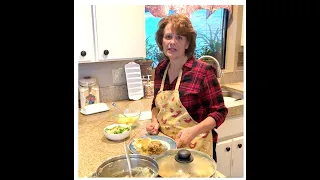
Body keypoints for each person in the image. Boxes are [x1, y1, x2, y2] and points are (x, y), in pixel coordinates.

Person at [146, 14, 228, 162]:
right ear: (161, 41)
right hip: (167, 147)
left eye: (179, 37)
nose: (172, 42)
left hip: (197, 147)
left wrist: (193, 131)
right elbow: (155, 105)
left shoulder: (203, 72)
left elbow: (220, 112)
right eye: (168, 36)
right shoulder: (160, 69)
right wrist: (154, 121)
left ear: (187, 43)